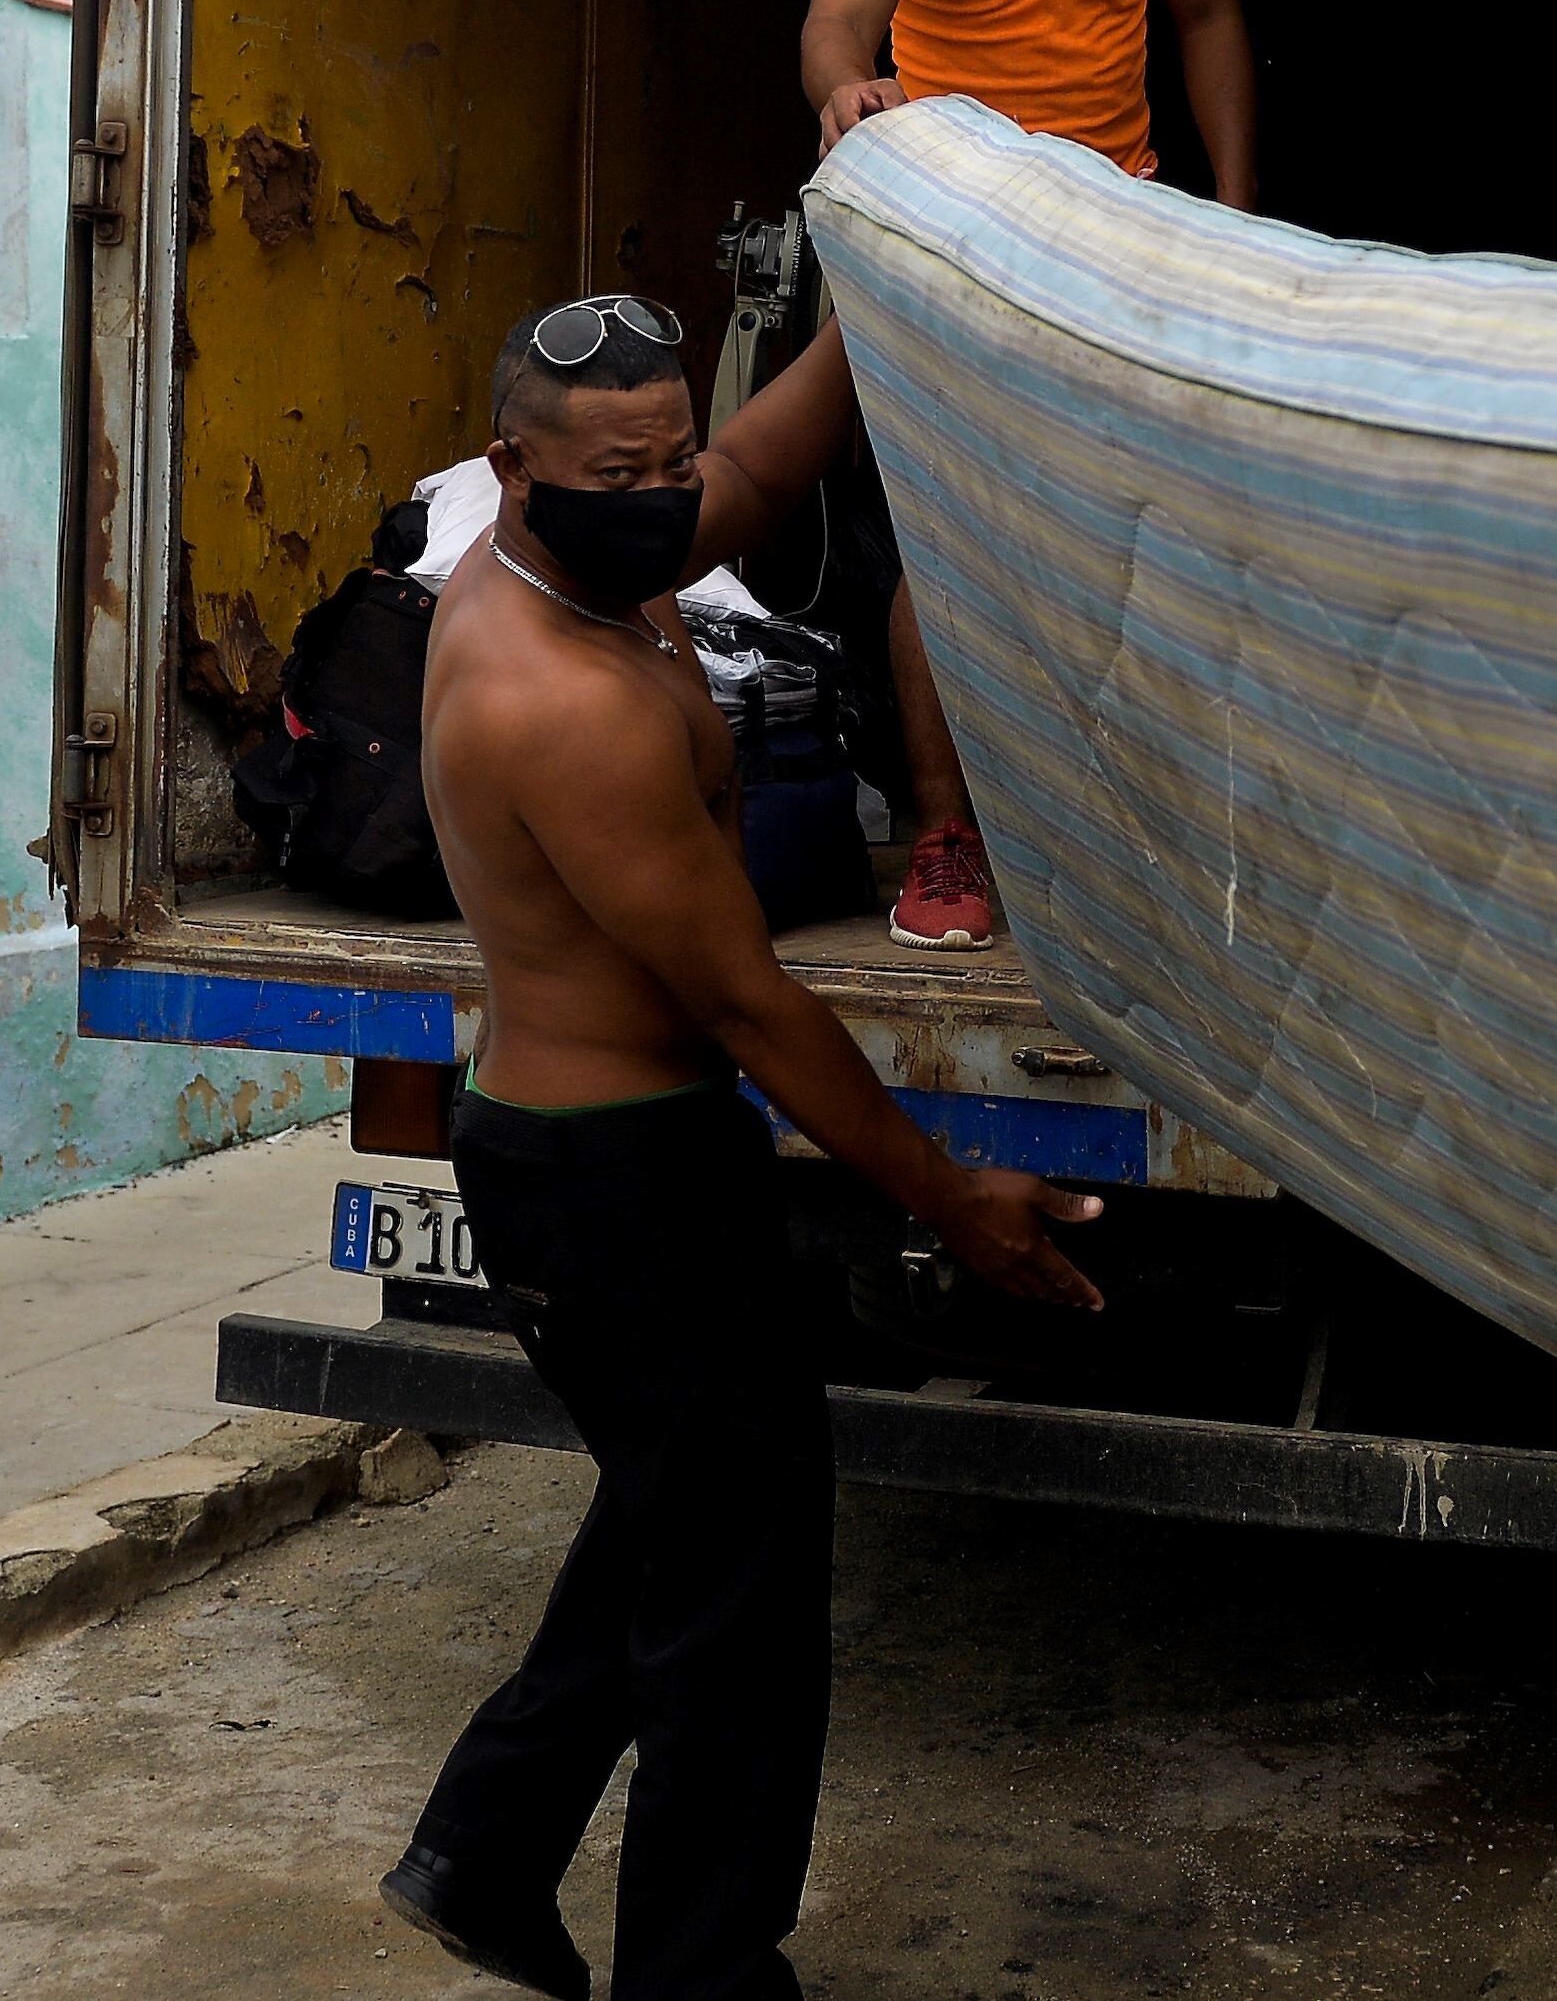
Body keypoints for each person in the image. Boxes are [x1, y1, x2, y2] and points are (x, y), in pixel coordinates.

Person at [379, 294, 1108, 2001]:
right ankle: (700, 1978)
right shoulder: (556, 691)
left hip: (622, 1152)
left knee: (677, 1512)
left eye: (668, 458)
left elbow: (766, 462)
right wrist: (949, 1197)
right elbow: (756, 1010)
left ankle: (480, 1852)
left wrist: (874, 262)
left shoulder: (602, 541)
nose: (661, 496)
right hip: (612, 1173)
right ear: (513, 471)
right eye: (617, 472)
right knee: (739, 1604)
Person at [799, 0, 1256, 953]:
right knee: (952, 552)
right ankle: (946, 836)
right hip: (959, 241)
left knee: (1141, 543)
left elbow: (1209, 14)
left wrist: (1232, 208)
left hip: (1114, 232)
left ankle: (1131, 835)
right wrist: (847, 92)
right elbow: (834, 25)